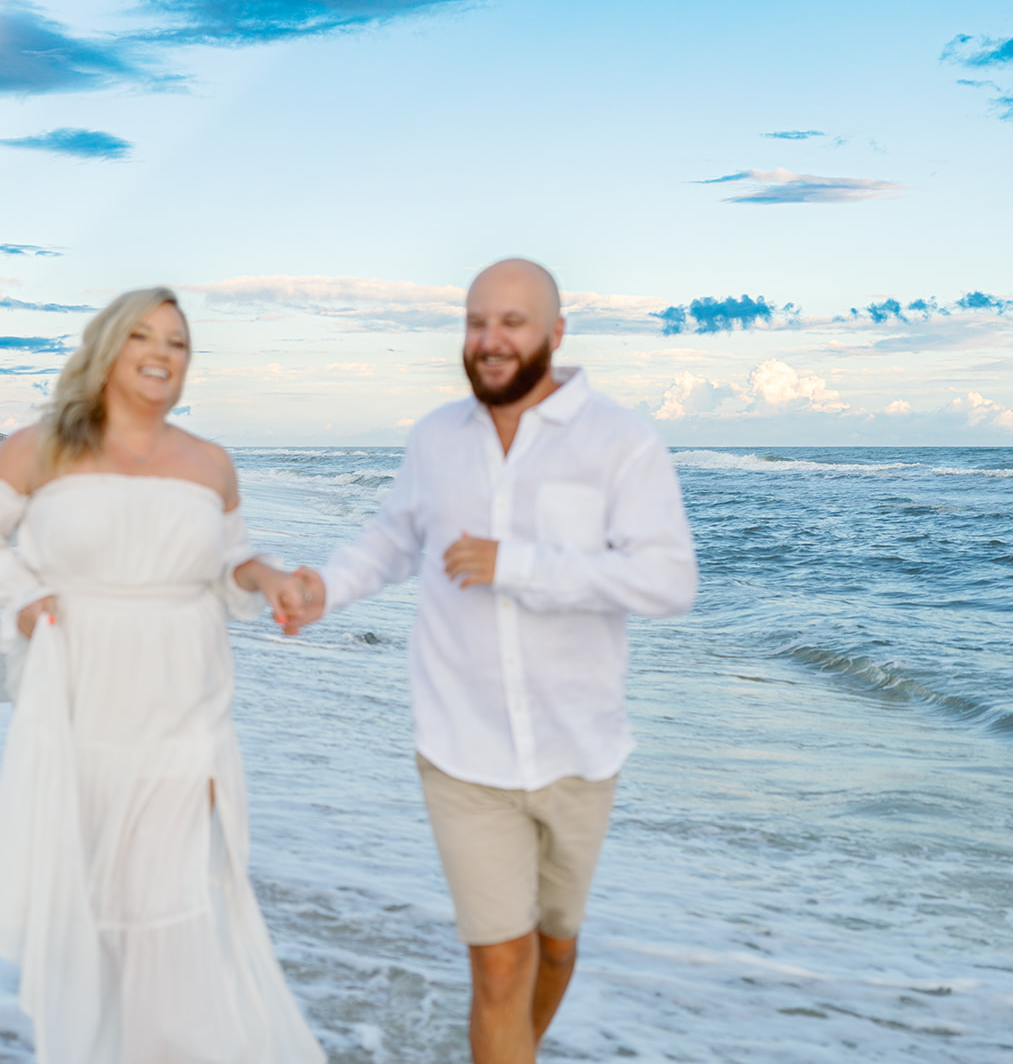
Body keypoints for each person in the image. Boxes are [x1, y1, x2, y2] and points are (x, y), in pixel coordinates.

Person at [278, 259, 698, 1064]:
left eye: (511, 321)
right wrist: (322, 588)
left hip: (580, 747)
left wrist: (521, 564)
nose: (489, 339)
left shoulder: (621, 442)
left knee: (556, 946)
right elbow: (392, 540)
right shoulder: (437, 437)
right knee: (501, 967)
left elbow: (669, 581)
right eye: (475, 321)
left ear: (556, 332)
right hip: (461, 746)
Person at [0, 287, 324, 1063]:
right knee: (92, 903)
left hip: (184, 701)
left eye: (178, 342)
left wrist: (273, 578)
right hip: (78, 694)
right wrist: (22, 599)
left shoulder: (210, 463)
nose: (162, 352)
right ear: (108, 350)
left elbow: (225, 565)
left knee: (169, 904)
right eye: (144, 335)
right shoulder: (39, 448)